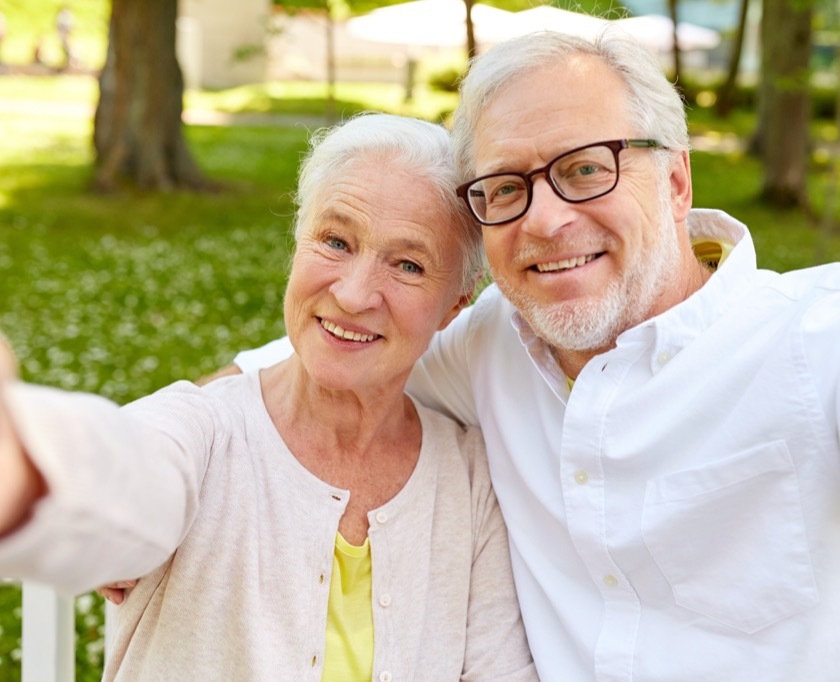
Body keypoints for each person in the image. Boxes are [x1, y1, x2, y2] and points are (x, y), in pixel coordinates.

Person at [231, 29, 840, 680]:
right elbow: (291, 369)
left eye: (584, 169)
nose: (543, 221)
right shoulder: (486, 344)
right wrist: (163, 480)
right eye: (505, 187)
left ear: (676, 181)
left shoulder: (829, 340)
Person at [0, 113, 536, 681]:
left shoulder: (471, 480)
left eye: (408, 264)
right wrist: (25, 459)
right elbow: (129, 476)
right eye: (335, 241)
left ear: (455, 305)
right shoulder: (204, 431)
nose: (354, 295)